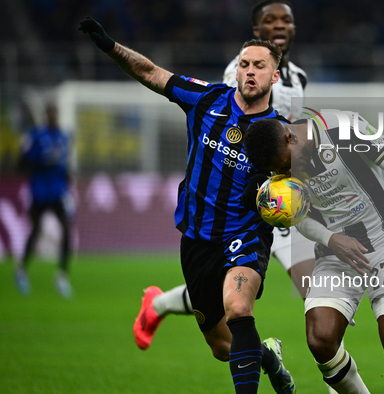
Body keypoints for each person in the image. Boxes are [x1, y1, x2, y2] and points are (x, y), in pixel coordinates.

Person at [79, 17, 296, 394]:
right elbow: (150, 73)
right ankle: (268, 357)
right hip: (197, 239)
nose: (250, 72)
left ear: (273, 77)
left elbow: (298, 187)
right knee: (221, 346)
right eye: (244, 64)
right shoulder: (207, 98)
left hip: (244, 235)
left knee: (240, 308)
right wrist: (110, 46)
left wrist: (281, 200)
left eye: (259, 66)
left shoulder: (279, 132)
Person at [243, 113, 384, 393]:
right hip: (334, 253)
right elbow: (297, 216)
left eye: (287, 163)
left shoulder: (345, 128)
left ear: (289, 136)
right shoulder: (279, 163)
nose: (289, 172)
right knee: (321, 340)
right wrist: (332, 239)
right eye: (281, 169)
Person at [134, 0, 317, 354]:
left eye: (287, 20)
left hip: (278, 197)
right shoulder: (241, 69)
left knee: (315, 298)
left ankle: (159, 304)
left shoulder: (299, 78)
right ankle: (160, 305)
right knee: (225, 312)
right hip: (246, 207)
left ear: (294, 29)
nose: (279, 25)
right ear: (257, 32)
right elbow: (227, 130)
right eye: (270, 20)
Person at [15, 103, 73, 298]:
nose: (53, 116)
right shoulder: (35, 135)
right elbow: (22, 163)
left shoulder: (63, 137)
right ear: (45, 115)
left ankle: (62, 276)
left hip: (58, 192)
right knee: (36, 229)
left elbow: (65, 166)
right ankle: (22, 270)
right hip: (40, 191)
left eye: (55, 112)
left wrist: (68, 186)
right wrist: (40, 159)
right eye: (50, 113)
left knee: (67, 229)